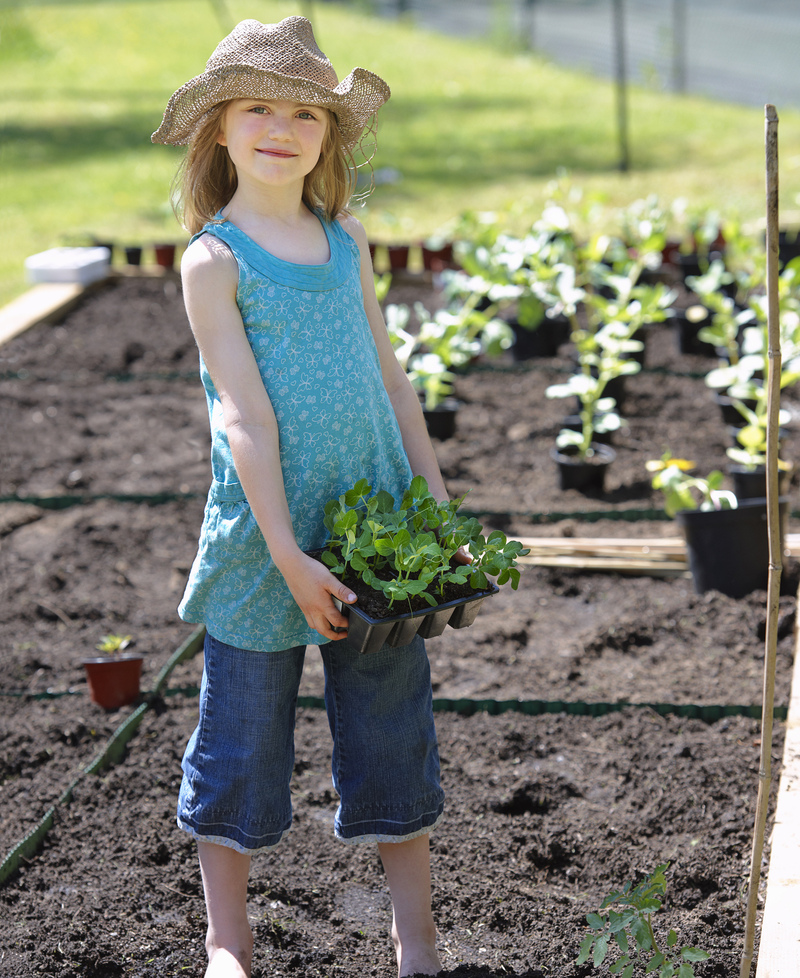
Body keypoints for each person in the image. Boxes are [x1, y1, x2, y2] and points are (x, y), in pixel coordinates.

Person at [152, 17, 453, 978]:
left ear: (329, 133)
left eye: (303, 112)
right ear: (221, 131)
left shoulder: (347, 240)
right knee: (240, 741)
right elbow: (245, 420)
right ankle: (227, 944)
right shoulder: (216, 262)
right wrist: (285, 552)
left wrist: (436, 509)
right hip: (264, 545)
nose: (281, 127)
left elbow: (393, 380)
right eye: (257, 108)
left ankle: (416, 940)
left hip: (375, 536)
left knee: (392, 730)